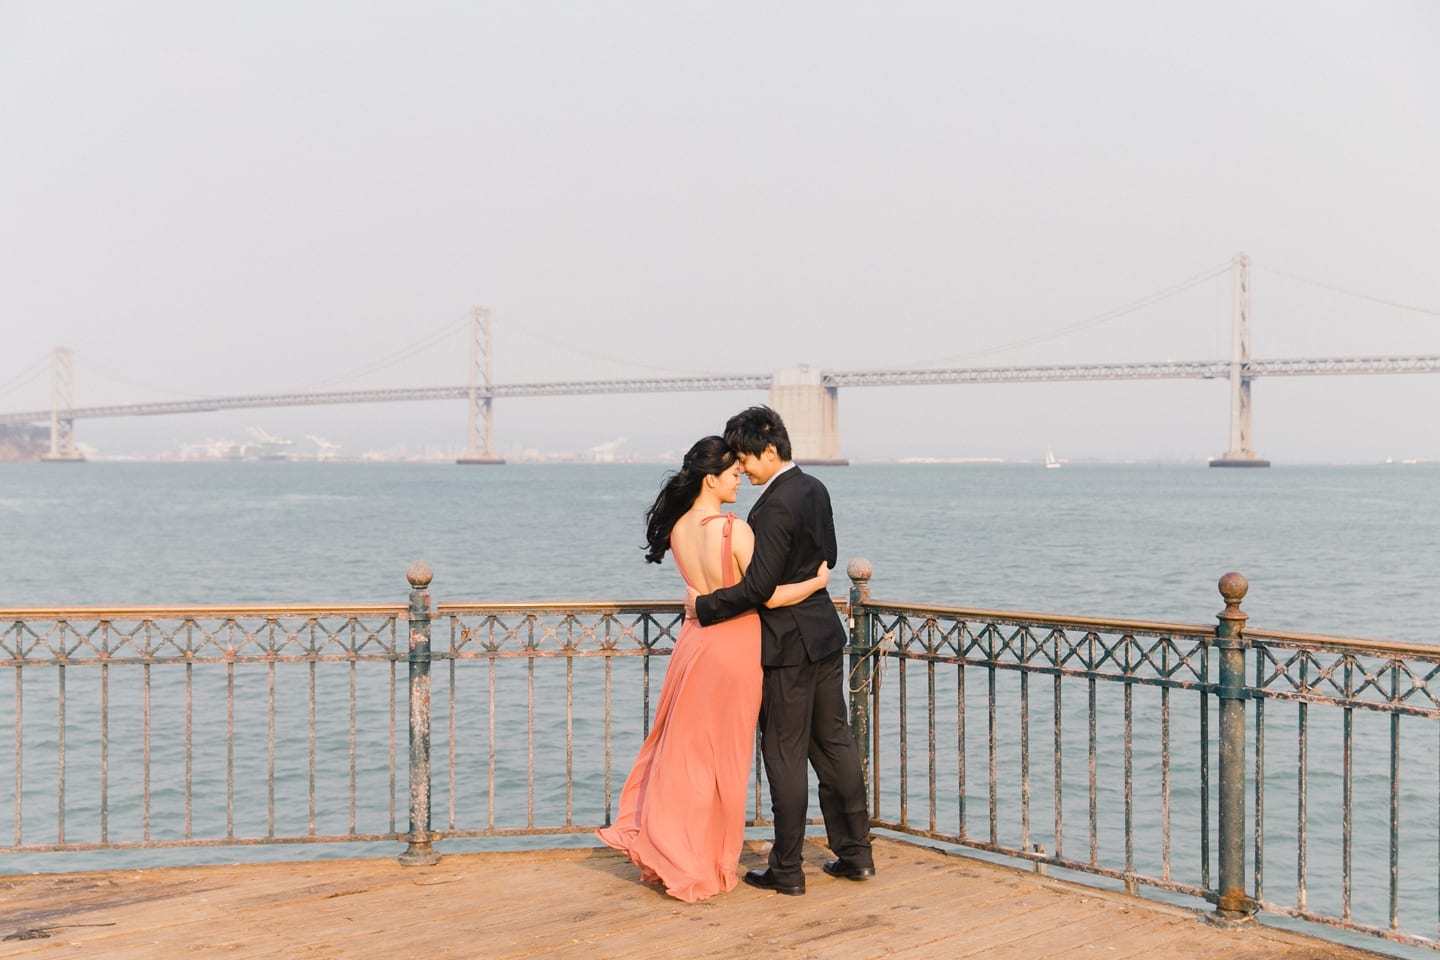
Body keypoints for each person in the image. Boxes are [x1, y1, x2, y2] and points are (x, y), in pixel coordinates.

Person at [596, 435, 829, 903]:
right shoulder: (734, 530)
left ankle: (674, 850)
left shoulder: (680, 527)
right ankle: (705, 862)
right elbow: (766, 596)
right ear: (711, 478)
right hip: (735, 650)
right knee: (723, 761)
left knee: (683, 755)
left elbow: (705, 593)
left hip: (694, 645)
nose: (740, 479)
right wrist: (816, 582)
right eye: (733, 474)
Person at [687, 405, 874, 896]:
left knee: (784, 753)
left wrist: (703, 606)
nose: (742, 468)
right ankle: (857, 855)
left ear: (770, 451)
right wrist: (811, 581)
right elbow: (827, 556)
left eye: (747, 459)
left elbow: (758, 588)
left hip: (785, 645)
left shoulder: (771, 507)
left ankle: (787, 870)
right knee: (835, 745)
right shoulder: (815, 488)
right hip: (824, 634)